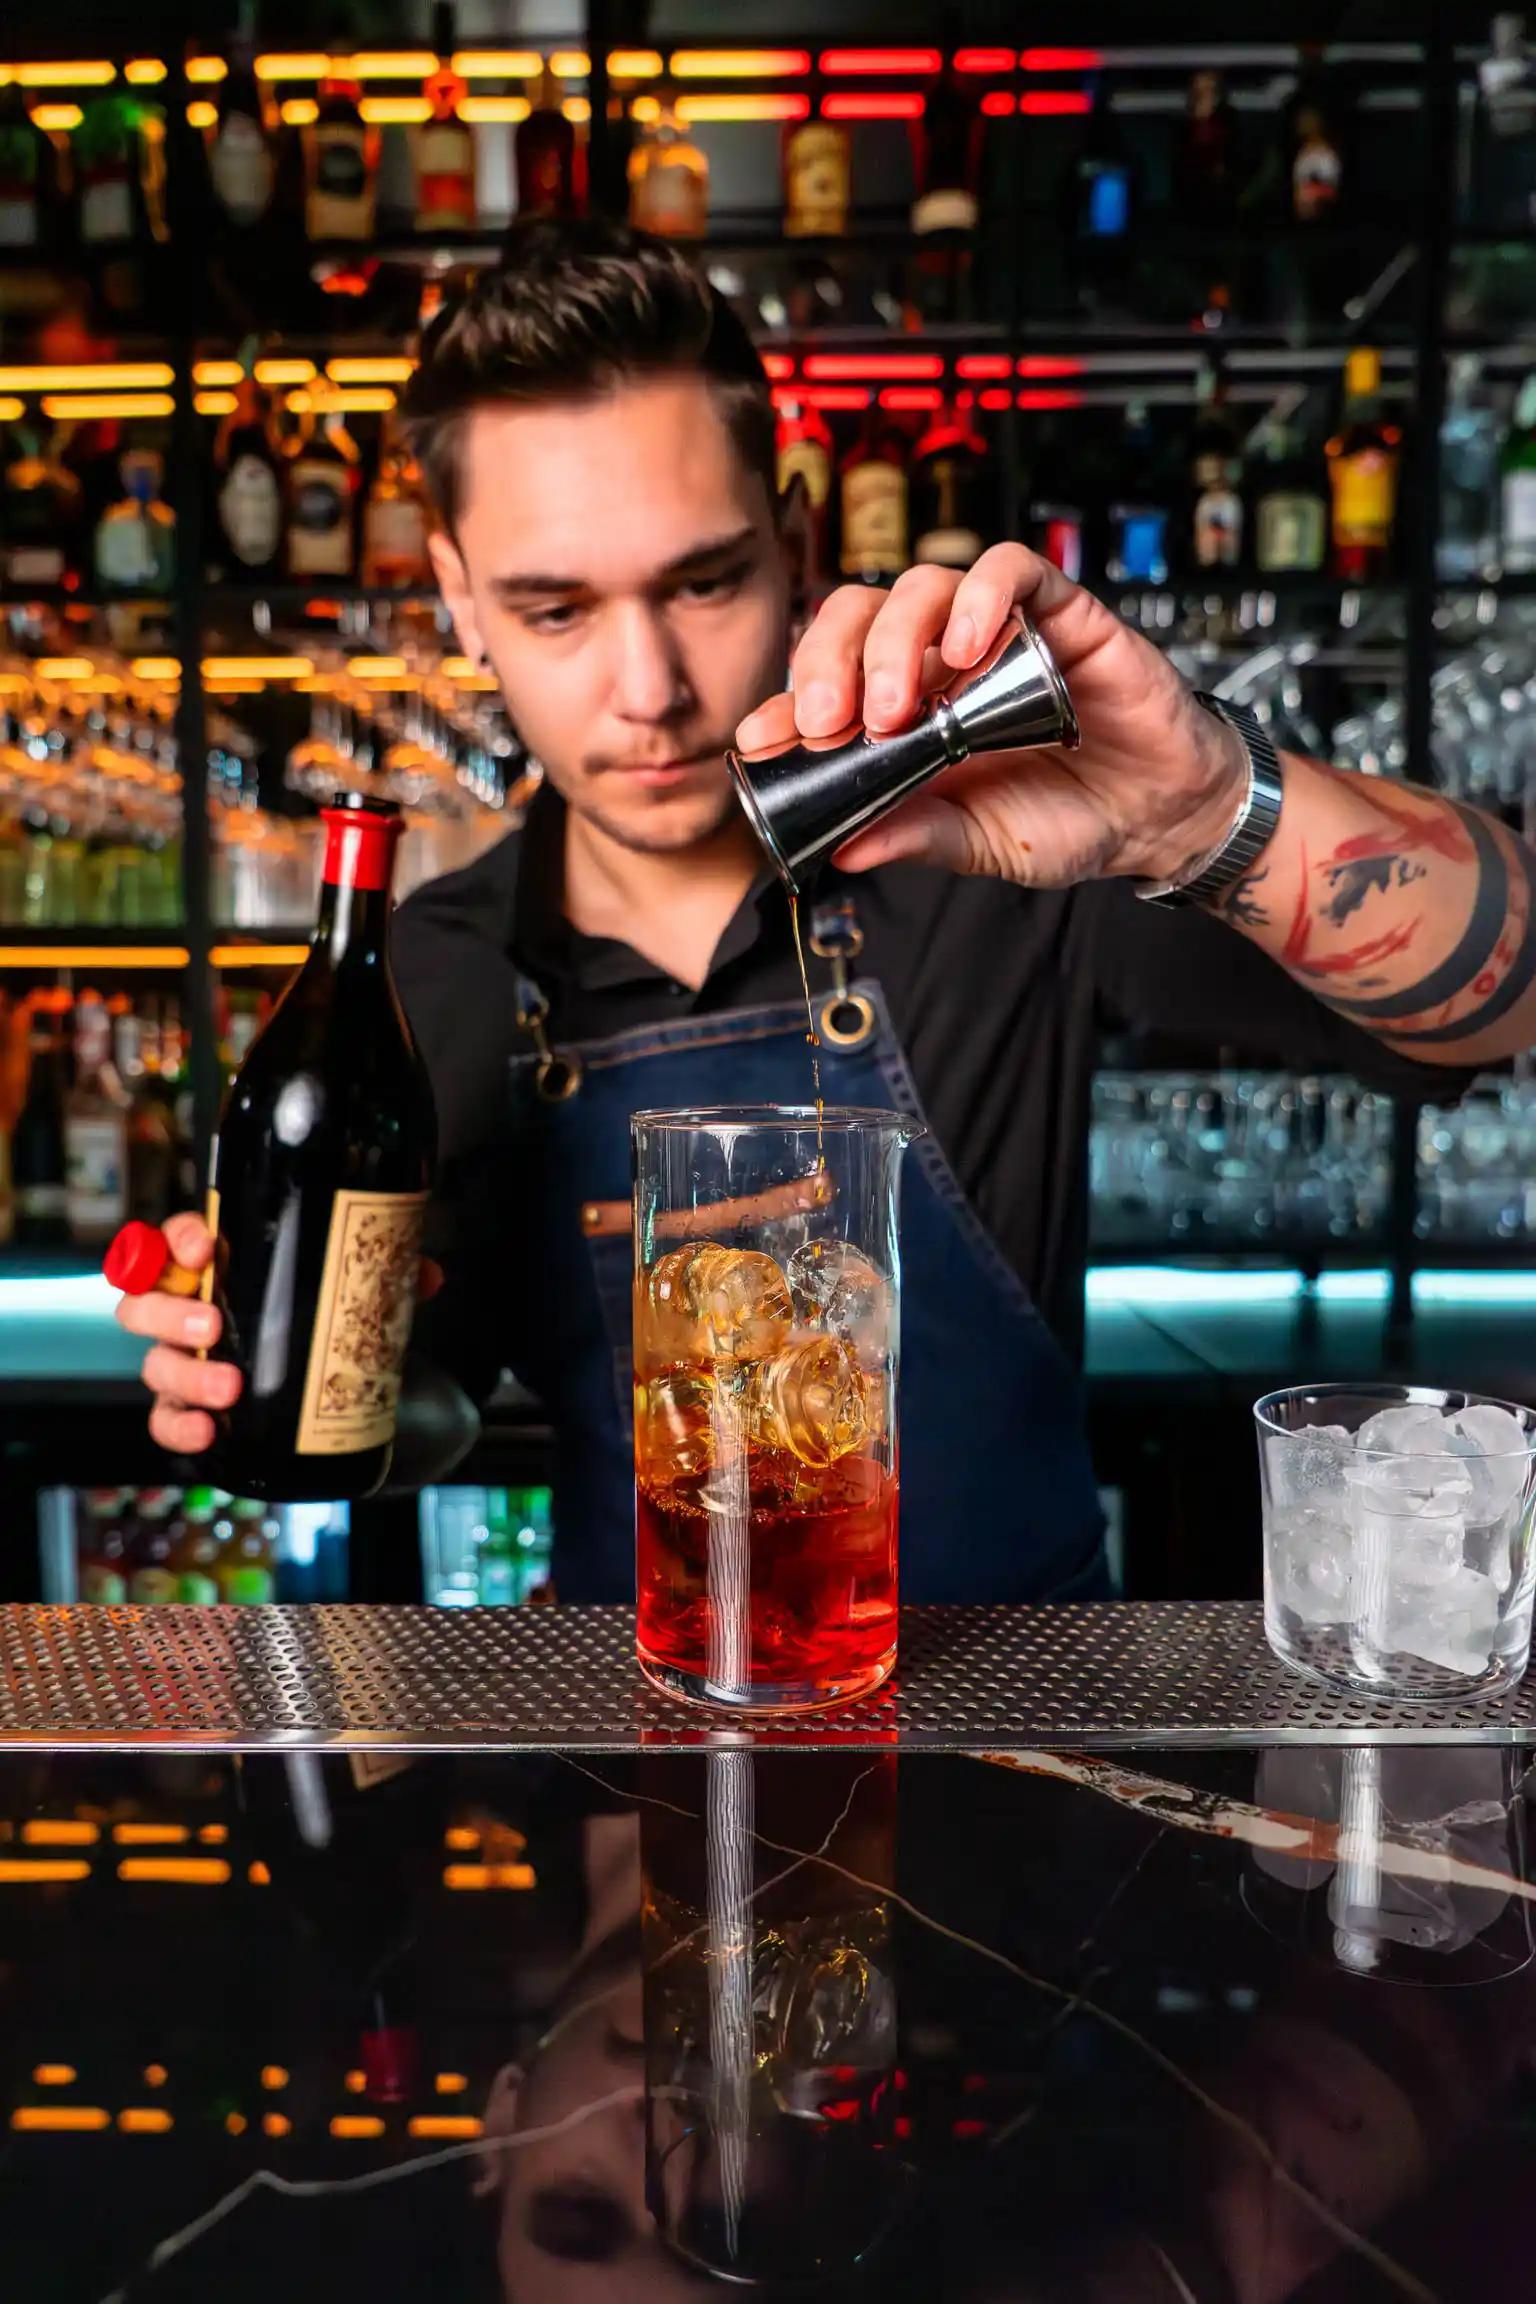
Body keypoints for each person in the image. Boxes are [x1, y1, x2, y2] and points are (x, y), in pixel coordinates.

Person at [117, 218, 1536, 1606]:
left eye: (705, 581)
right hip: (649, 1720)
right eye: (556, 610)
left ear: (795, 538)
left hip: (1033, 1723)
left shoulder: (994, 847)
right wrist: (294, 1386)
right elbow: (437, 1406)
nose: (650, 690)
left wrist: (1199, 805)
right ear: (459, 596)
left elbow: (1509, 996)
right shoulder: (430, 975)